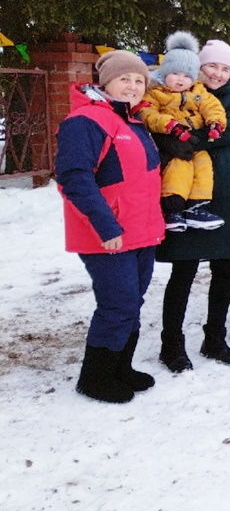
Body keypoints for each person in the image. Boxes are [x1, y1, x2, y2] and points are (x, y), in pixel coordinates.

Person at [55, 50, 165, 403]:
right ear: (106, 83)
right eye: (124, 79)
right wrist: (106, 226)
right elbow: (73, 178)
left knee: (132, 302)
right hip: (107, 235)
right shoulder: (86, 121)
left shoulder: (133, 123)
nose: (132, 86)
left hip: (141, 233)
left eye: (138, 80)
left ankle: (121, 367)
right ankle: (96, 378)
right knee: (117, 304)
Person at [154, 39, 230, 372]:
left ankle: (215, 338)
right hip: (185, 191)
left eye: (226, 68)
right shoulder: (174, 93)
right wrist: (172, 138)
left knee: (224, 271)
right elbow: (156, 122)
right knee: (184, 271)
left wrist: (187, 138)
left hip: (226, 192)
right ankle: (172, 344)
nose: (218, 73)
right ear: (199, 67)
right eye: (212, 66)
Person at [138, 31, 227, 232]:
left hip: (193, 139)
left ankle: (197, 206)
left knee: (204, 165)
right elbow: (147, 113)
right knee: (180, 169)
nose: (180, 79)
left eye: (187, 76)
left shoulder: (198, 92)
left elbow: (213, 107)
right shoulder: (156, 92)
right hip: (172, 141)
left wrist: (216, 124)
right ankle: (174, 209)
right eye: (175, 73)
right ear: (164, 72)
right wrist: (169, 125)